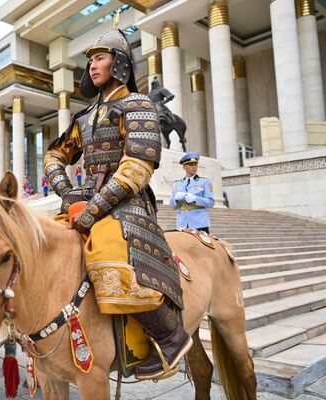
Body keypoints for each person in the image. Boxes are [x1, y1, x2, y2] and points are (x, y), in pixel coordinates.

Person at [43, 15, 190, 381]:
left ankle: (170, 335)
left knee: (108, 248)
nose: (92, 64)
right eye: (90, 59)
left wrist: (94, 208)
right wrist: (65, 191)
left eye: (100, 57)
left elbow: (137, 167)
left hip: (129, 204)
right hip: (85, 201)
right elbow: (53, 156)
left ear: (119, 63)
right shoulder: (84, 116)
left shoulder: (138, 105)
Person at [170, 152, 214, 233]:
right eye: (190, 164)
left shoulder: (205, 182)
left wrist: (195, 199)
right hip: (182, 224)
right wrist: (176, 200)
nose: (194, 167)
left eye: (195, 164)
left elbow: (210, 203)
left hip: (200, 224)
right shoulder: (176, 184)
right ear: (184, 167)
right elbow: (172, 206)